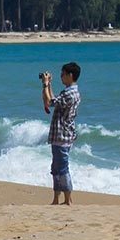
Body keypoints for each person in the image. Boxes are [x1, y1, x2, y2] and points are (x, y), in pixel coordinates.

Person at [40, 60, 80, 205]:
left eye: (63, 74)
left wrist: (45, 84)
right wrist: (48, 85)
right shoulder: (70, 92)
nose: (61, 76)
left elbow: (50, 102)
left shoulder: (70, 93)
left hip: (62, 135)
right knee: (56, 168)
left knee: (62, 169)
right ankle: (57, 199)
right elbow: (54, 99)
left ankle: (68, 200)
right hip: (62, 135)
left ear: (70, 75)